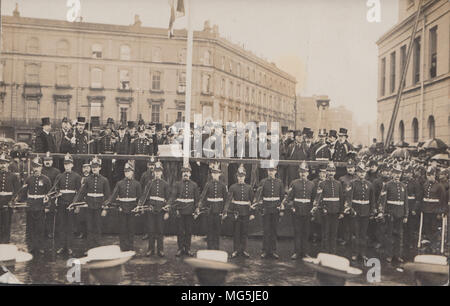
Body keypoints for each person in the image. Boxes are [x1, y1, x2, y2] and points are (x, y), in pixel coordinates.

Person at [73, 156, 111, 249]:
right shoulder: (87, 179)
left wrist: (105, 208)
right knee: (89, 228)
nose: (94, 168)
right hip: (89, 207)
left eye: (96, 167)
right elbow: (81, 193)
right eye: (93, 167)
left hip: (99, 207)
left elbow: (107, 196)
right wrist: (75, 204)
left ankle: (97, 248)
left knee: (97, 228)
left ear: (100, 168)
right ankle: (89, 248)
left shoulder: (104, 180)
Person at [18, 157, 52, 254]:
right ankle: (31, 246)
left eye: (38, 166)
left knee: (40, 227)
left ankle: (40, 246)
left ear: (41, 167)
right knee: (30, 227)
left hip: (40, 206)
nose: (36, 169)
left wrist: (47, 206)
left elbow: (49, 194)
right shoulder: (29, 179)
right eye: (35, 166)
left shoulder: (46, 179)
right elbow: (24, 192)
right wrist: (20, 200)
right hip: (31, 206)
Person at [107, 162, 141, 252]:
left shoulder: (137, 184)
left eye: (128, 171)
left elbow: (139, 198)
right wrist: (114, 205)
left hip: (132, 209)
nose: (127, 173)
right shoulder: (119, 183)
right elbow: (114, 196)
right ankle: (123, 247)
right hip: (122, 209)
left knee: (131, 229)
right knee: (122, 229)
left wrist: (138, 208)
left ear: (132, 172)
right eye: (125, 171)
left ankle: (130, 247)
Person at [285, 161, 317, 259]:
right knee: (297, 231)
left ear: (308, 173)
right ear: (299, 173)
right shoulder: (294, 183)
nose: (303, 173)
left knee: (306, 232)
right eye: (301, 171)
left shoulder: (312, 184)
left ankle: (305, 252)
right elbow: (288, 199)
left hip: (307, 211)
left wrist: (312, 210)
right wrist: (292, 207)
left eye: (305, 171)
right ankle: (297, 252)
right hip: (297, 211)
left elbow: (314, 199)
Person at [377, 164, 408, 263]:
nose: (397, 175)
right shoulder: (387, 185)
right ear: (392, 173)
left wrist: (406, 215)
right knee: (389, 235)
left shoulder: (403, 186)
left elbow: (405, 202)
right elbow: (382, 200)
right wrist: (381, 212)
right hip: (390, 213)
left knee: (399, 235)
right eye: (396, 173)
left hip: (400, 214)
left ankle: (397, 255)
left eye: (399, 173)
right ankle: (389, 255)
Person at [138, 161, 170, 257]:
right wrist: (140, 205)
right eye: (156, 171)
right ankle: (150, 249)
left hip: (161, 210)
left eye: (159, 171)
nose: (157, 173)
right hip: (151, 210)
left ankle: (160, 250)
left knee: (160, 231)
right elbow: (145, 196)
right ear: (153, 172)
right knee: (151, 230)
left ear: (161, 172)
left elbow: (168, 199)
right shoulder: (149, 183)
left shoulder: (165, 184)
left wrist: (167, 211)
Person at [312, 162, 344, 255]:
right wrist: (322, 208)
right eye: (329, 171)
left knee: (334, 233)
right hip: (325, 212)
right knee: (325, 233)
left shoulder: (338, 184)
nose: (331, 173)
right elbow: (318, 198)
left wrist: (341, 212)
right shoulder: (322, 184)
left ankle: (333, 252)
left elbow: (341, 198)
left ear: (335, 172)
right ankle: (325, 252)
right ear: (326, 172)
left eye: (332, 171)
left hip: (336, 211)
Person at [346, 162, 375, 261]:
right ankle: (354, 253)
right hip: (355, 211)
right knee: (355, 234)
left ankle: (362, 253)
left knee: (363, 234)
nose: (362, 174)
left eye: (363, 172)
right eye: (360, 172)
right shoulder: (352, 183)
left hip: (365, 212)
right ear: (357, 173)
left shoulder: (369, 184)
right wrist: (351, 209)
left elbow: (372, 199)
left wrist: (371, 211)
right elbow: (349, 198)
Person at [255, 161, 284, 259]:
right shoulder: (263, 182)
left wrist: (280, 208)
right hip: (266, 208)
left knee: (274, 230)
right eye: (269, 170)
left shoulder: (279, 182)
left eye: (273, 170)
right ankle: (265, 251)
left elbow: (282, 196)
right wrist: (261, 208)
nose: (271, 172)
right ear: (267, 171)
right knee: (266, 230)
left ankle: (273, 251)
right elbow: (259, 196)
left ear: (276, 171)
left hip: (275, 209)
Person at [54, 153, 81, 255]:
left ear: (72, 165)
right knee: (61, 225)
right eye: (65, 164)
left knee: (70, 226)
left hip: (71, 204)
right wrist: (57, 196)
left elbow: (79, 192)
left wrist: (76, 205)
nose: (67, 166)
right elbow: (56, 188)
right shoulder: (59, 176)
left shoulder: (77, 176)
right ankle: (62, 246)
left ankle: (69, 246)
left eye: (69, 164)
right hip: (61, 203)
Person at [224, 166, 254, 258]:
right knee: (236, 232)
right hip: (236, 213)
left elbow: (252, 202)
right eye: (239, 176)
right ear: (237, 177)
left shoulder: (249, 188)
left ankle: (243, 250)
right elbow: (229, 201)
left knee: (244, 232)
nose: (240, 178)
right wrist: (228, 212)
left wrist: (252, 213)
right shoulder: (233, 187)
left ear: (245, 176)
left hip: (245, 212)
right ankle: (236, 250)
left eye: (242, 176)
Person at [170, 165, 199, 257]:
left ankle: (188, 249)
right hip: (180, 211)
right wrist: (176, 209)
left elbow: (196, 199)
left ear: (190, 174)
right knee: (180, 230)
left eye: (187, 172)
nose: (185, 174)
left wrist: (196, 209)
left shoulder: (194, 185)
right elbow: (174, 197)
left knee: (189, 231)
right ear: (182, 174)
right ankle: (180, 248)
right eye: (184, 172)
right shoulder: (177, 184)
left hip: (190, 211)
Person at [198, 163, 228, 250]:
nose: (215, 175)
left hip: (218, 210)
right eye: (213, 173)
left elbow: (225, 199)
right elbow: (203, 196)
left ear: (219, 174)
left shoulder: (222, 185)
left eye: (217, 173)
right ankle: (209, 247)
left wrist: (224, 211)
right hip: (210, 210)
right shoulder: (208, 184)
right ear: (211, 174)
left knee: (217, 230)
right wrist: (199, 206)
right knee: (209, 229)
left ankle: (216, 247)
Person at [417, 166, 447, 252]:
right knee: (427, 228)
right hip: (426, 211)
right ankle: (429, 245)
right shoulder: (425, 185)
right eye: (428, 175)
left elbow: (442, 201)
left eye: (431, 175)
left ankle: (434, 245)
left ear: (435, 175)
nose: (430, 177)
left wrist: (440, 212)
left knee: (434, 228)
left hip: (435, 211)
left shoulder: (439, 186)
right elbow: (422, 197)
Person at [0, 153, 20, 243]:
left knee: (6, 223)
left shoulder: (13, 176)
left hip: (8, 202)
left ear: (8, 164)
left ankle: (5, 242)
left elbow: (17, 190)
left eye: (4, 163)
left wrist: (13, 200)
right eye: (1, 163)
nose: (2, 165)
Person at [42, 152, 61, 239]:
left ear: (52, 161)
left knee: (51, 214)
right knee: (41, 214)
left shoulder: (57, 171)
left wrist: (53, 195)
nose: (47, 162)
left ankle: (50, 231)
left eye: (49, 160)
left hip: (52, 196)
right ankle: (42, 231)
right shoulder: (40, 170)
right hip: (41, 196)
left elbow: (58, 185)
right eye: (46, 160)